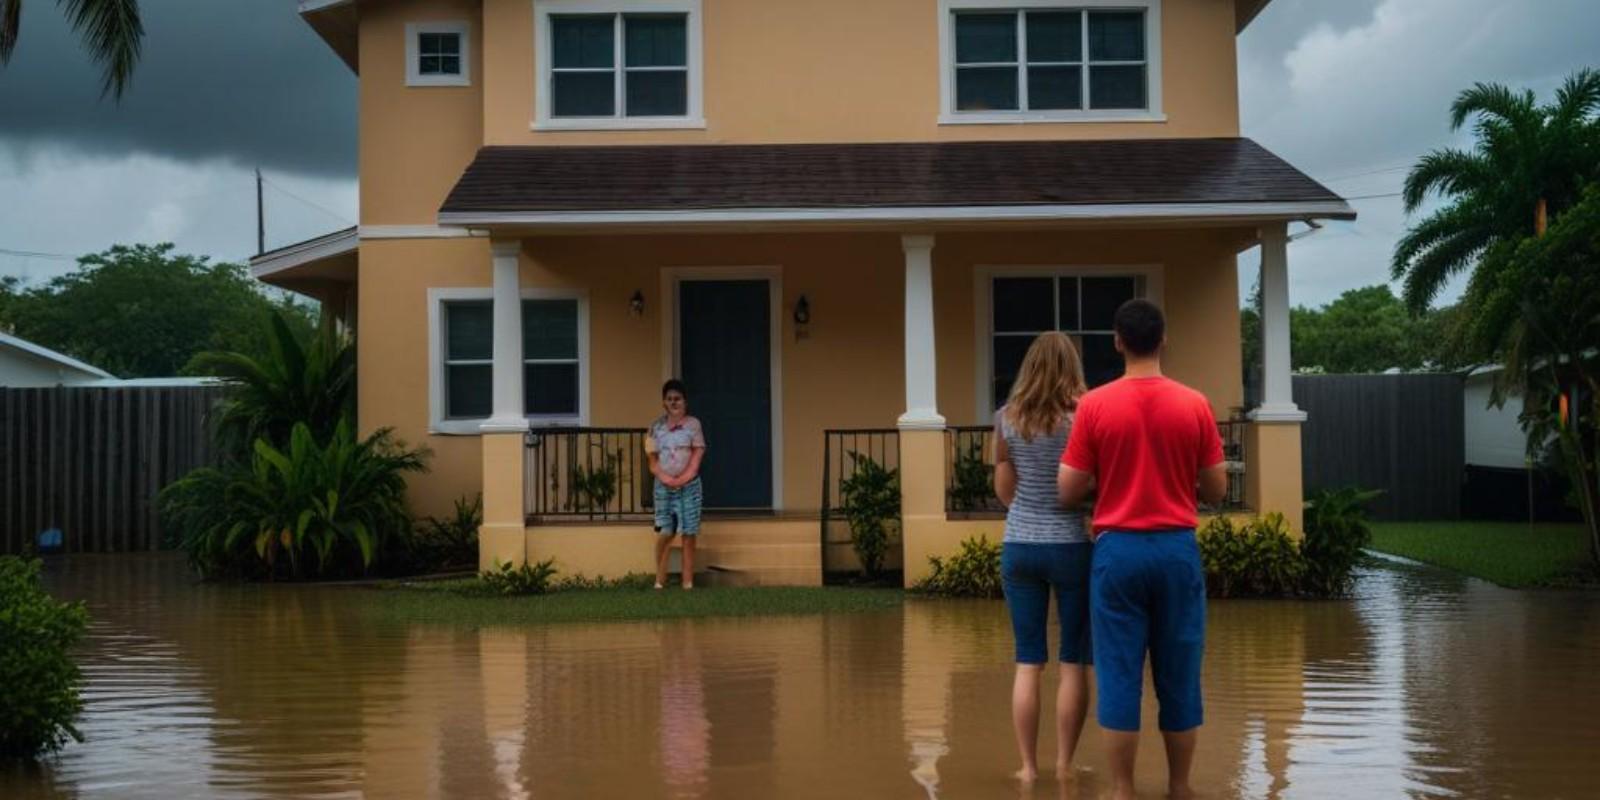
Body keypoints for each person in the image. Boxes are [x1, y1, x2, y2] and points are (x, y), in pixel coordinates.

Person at [1057, 299, 1227, 800]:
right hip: (1177, 549)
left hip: (1118, 552)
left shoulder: (1095, 406)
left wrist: (1101, 490)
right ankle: (1179, 787)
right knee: (1179, 674)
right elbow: (1216, 489)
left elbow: (1067, 489)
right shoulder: (1194, 403)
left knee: (1119, 676)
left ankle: (1123, 791)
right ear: (1164, 339)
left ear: (1117, 341)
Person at [993, 332, 1094, 784]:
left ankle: (1028, 768)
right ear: (1072, 368)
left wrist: (1027, 512)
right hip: (1072, 545)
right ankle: (1065, 765)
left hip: (1020, 546)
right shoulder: (1084, 417)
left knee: (1028, 661)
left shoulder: (1006, 418)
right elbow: (1092, 481)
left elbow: (1003, 486)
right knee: (1073, 660)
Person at [646, 379, 705, 590]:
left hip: (689, 486)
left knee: (688, 532)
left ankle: (687, 581)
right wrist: (664, 477)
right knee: (665, 531)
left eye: (677, 399)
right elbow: (651, 458)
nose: (674, 402)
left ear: (685, 402)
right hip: (663, 487)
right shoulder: (655, 427)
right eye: (669, 399)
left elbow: (697, 453)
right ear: (664, 402)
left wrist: (684, 477)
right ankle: (659, 579)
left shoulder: (694, 425)